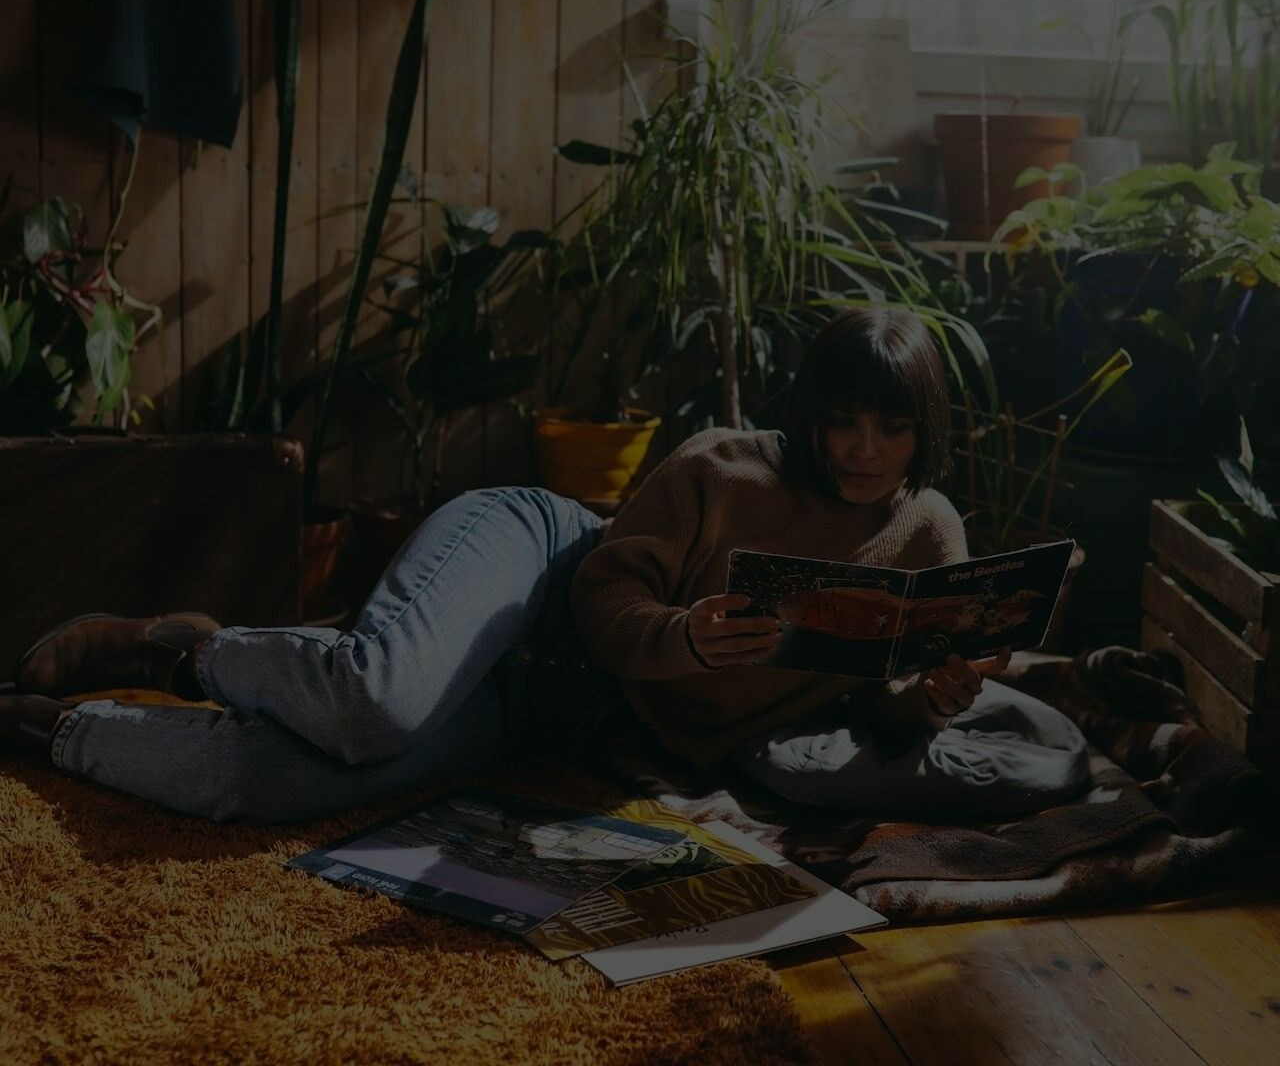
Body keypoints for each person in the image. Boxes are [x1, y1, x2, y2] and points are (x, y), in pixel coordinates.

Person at [1, 308, 1088, 823]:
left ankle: (62, 721)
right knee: (373, 694)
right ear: (811, 415)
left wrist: (933, 694)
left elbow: (884, 703)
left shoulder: (930, 528)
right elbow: (602, 588)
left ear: (920, 430)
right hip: (538, 563)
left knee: (272, 783)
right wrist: (684, 633)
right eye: (841, 422)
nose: (859, 449)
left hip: (554, 711)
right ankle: (168, 646)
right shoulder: (727, 464)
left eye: (886, 429)